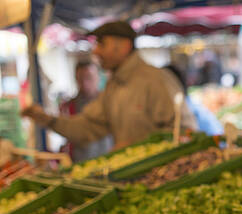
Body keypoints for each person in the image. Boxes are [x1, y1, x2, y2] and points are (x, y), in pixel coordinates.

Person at [21, 21, 194, 150]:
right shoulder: (114, 87)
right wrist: (47, 119)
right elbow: (88, 127)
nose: (95, 51)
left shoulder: (155, 80)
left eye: (101, 44)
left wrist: (139, 147)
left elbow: (185, 131)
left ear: (124, 46)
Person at [59, 60, 113, 162]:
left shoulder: (110, 102)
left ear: (98, 77)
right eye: (80, 79)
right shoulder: (69, 107)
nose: (85, 83)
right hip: (80, 163)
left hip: (109, 161)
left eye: (89, 77)